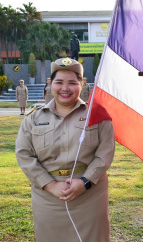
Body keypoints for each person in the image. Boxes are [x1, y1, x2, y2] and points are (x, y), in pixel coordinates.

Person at [15, 58, 115, 242]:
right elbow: (24, 154)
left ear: (82, 84)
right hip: (48, 195)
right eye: (59, 82)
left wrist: (85, 182)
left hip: (90, 193)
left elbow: (105, 152)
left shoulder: (97, 114)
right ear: (50, 83)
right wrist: (50, 185)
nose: (65, 88)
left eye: (72, 82)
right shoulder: (34, 118)